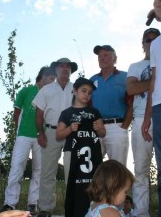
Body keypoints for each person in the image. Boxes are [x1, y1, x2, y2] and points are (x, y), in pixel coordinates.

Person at [0, 67, 56, 214]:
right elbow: (17, 112)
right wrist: (18, 131)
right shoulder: (26, 91)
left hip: (41, 136)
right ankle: (10, 203)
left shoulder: (51, 94)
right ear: (43, 76)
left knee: (39, 170)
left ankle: (32, 203)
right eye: (51, 79)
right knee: (17, 167)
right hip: (23, 135)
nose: (53, 82)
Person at [32, 58, 78, 217]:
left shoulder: (77, 88)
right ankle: (45, 209)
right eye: (61, 66)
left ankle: (72, 209)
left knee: (72, 172)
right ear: (56, 70)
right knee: (47, 172)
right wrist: (40, 133)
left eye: (68, 66)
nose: (65, 69)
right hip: (50, 132)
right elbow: (38, 114)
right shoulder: (46, 89)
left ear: (71, 70)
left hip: (72, 133)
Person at [56, 77, 106, 217]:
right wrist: (70, 129)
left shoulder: (94, 112)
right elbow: (58, 135)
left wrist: (99, 128)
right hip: (71, 154)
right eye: (84, 91)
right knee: (73, 186)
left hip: (92, 156)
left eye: (90, 92)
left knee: (94, 187)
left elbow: (102, 133)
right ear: (74, 91)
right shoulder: (66, 113)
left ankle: (94, 213)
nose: (87, 95)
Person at [127, 28, 161, 216]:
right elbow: (131, 88)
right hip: (140, 118)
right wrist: (156, 81)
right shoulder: (135, 66)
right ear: (143, 44)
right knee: (140, 172)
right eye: (148, 40)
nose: (152, 43)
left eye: (156, 40)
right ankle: (141, 213)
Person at [90, 45, 133, 166]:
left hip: (117, 127)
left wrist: (124, 127)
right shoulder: (92, 80)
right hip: (96, 128)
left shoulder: (126, 77)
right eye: (99, 56)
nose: (102, 58)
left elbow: (132, 103)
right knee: (93, 168)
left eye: (106, 55)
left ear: (115, 58)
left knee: (117, 169)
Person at [142, 0, 161, 217]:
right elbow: (154, 80)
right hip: (159, 108)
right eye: (156, 4)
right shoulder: (156, 45)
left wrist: (157, 13)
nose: (157, 8)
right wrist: (148, 116)